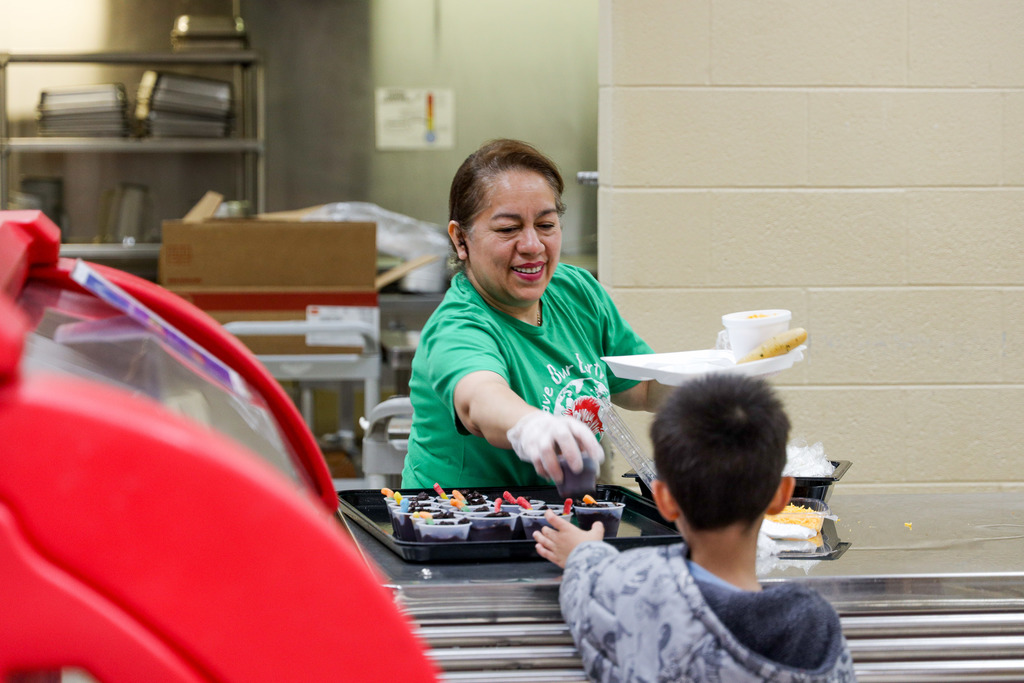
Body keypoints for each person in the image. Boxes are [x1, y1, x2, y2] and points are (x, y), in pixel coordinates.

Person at [533, 374, 857, 682]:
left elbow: (588, 594)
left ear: (663, 499)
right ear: (782, 495)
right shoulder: (815, 630)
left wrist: (583, 553)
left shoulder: (633, 591)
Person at [401, 139, 670, 489]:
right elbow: (480, 399)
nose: (532, 246)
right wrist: (531, 425)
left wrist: (718, 383)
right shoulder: (459, 326)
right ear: (460, 240)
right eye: (508, 229)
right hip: (459, 519)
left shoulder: (576, 292)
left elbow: (643, 388)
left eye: (545, 225)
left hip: (561, 515)